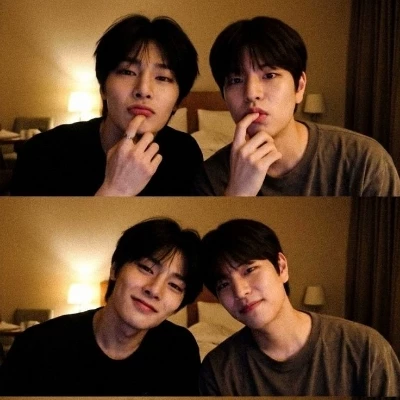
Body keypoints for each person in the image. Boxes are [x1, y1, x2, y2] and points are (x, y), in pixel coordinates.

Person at [193, 16, 400, 196]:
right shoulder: (210, 176)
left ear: (299, 87)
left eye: (269, 75)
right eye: (236, 80)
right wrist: (238, 192)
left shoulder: (363, 160)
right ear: (224, 96)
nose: (251, 93)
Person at [0, 218, 203, 395]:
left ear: (180, 304)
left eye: (175, 286)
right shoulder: (38, 345)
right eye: (145, 268)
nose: (155, 290)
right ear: (115, 269)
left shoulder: (179, 351)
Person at [199, 218, 400, 396]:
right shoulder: (218, 370)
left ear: (281, 267)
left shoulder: (365, 348)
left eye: (249, 270)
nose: (240, 291)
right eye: (223, 284)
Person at [10, 14, 202, 196]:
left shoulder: (185, 154)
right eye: (127, 72)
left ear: (178, 101)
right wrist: (115, 189)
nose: (143, 90)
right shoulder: (43, 152)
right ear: (103, 88)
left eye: (163, 78)